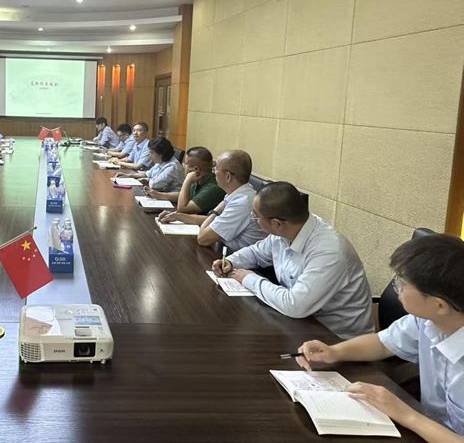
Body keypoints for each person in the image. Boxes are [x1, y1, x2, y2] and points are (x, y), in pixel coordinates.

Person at [296, 234, 464, 440]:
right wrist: (335, 352)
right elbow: (383, 344)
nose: (396, 287)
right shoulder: (429, 320)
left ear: (439, 305)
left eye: (402, 283)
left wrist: (406, 414)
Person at [213, 181, 372, 340]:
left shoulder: (329, 252)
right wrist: (231, 261)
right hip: (300, 324)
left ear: (276, 223)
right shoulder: (285, 231)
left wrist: (248, 278)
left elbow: (295, 305)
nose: (253, 219)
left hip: (337, 339)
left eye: (256, 216)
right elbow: (256, 253)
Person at [196, 150, 265, 250]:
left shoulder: (242, 203)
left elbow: (203, 239)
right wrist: (182, 217)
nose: (214, 172)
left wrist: (215, 212)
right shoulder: (241, 191)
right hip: (226, 250)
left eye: (216, 168)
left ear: (227, 176)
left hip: (237, 256)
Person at [155, 146, 225, 225]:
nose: (183, 166)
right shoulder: (200, 178)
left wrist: (187, 180)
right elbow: (185, 195)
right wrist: (159, 195)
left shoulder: (213, 188)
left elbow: (182, 209)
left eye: (185, 164)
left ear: (196, 169)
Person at [118, 137, 184, 192]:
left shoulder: (172, 167)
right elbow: (147, 173)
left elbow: (155, 185)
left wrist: (147, 180)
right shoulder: (161, 161)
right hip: (157, 193)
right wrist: (129, 175)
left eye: (152, 153)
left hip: (169, 199)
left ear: (162, 153)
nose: (150, 155)